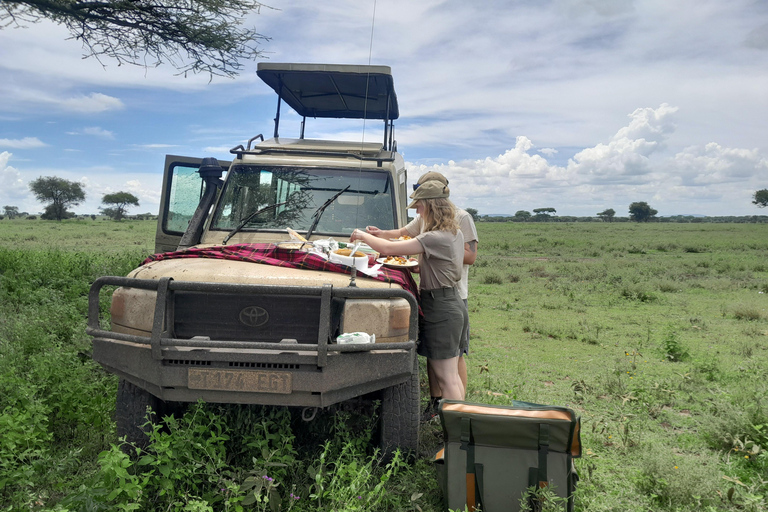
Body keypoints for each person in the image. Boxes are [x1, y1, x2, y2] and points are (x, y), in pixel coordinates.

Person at [366, 171, 478, 418]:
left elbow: (387, 248)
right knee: (448, 376)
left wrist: (361, 235)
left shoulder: (434, 236)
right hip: (449, 302)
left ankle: (458, 435)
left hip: (442, 307)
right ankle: (459, 430)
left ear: (429, 206)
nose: (417, 211)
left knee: (447, 377)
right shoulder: (453, 233)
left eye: (419, 206)